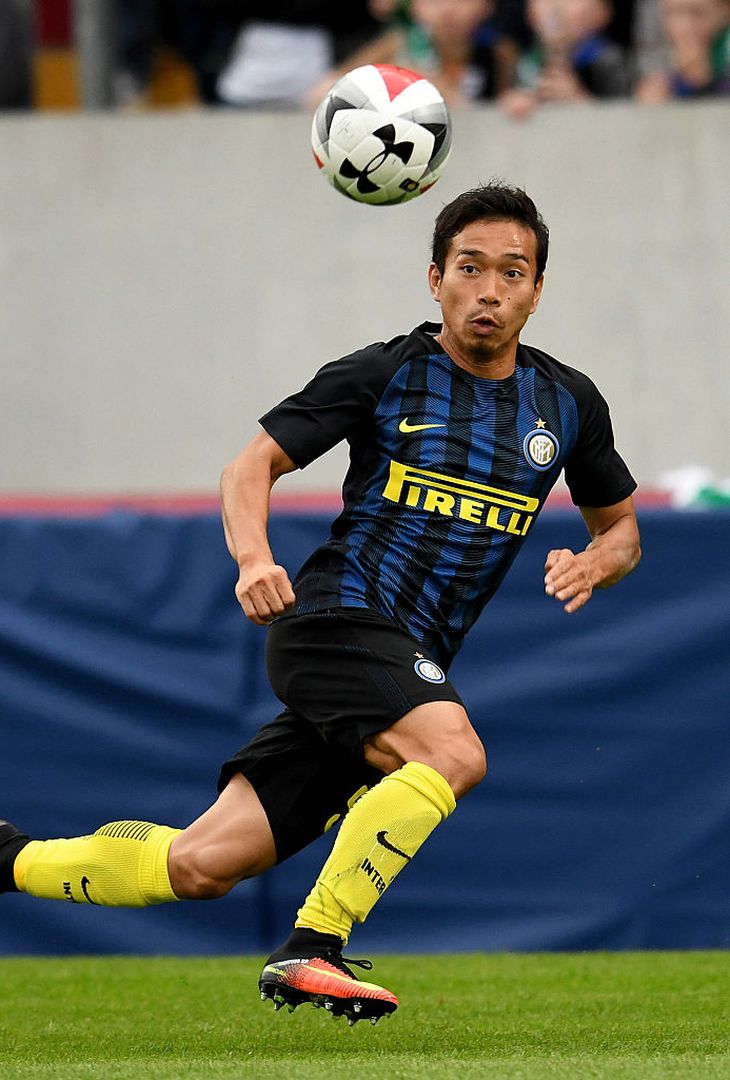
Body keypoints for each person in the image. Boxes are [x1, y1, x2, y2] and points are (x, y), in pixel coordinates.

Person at [0, 183, 641, 1024]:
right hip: (335, 623)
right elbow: (248, 468)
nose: (489, 290)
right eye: (470, 268)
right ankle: (314, 946)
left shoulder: (567, 403)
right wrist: (253, 557)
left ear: (537, 290)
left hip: (398, 674)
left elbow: (623, 528)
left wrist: (598, 563)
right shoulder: (384, 372)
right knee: (453, 756)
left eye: (511, 273)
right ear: (435, 278)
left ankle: (9, 857)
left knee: (202, 865)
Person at [501, 0, 634, 118]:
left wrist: (578, 100)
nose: (556, 9)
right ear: (529, 13)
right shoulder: (527, 61)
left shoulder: (608, 59)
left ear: (599, 13)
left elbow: (624, 119)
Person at [633, 0, 730, 100]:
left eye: (698, 12)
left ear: (725, 11)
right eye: (673, 12)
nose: (686, 26)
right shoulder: (653, 63)